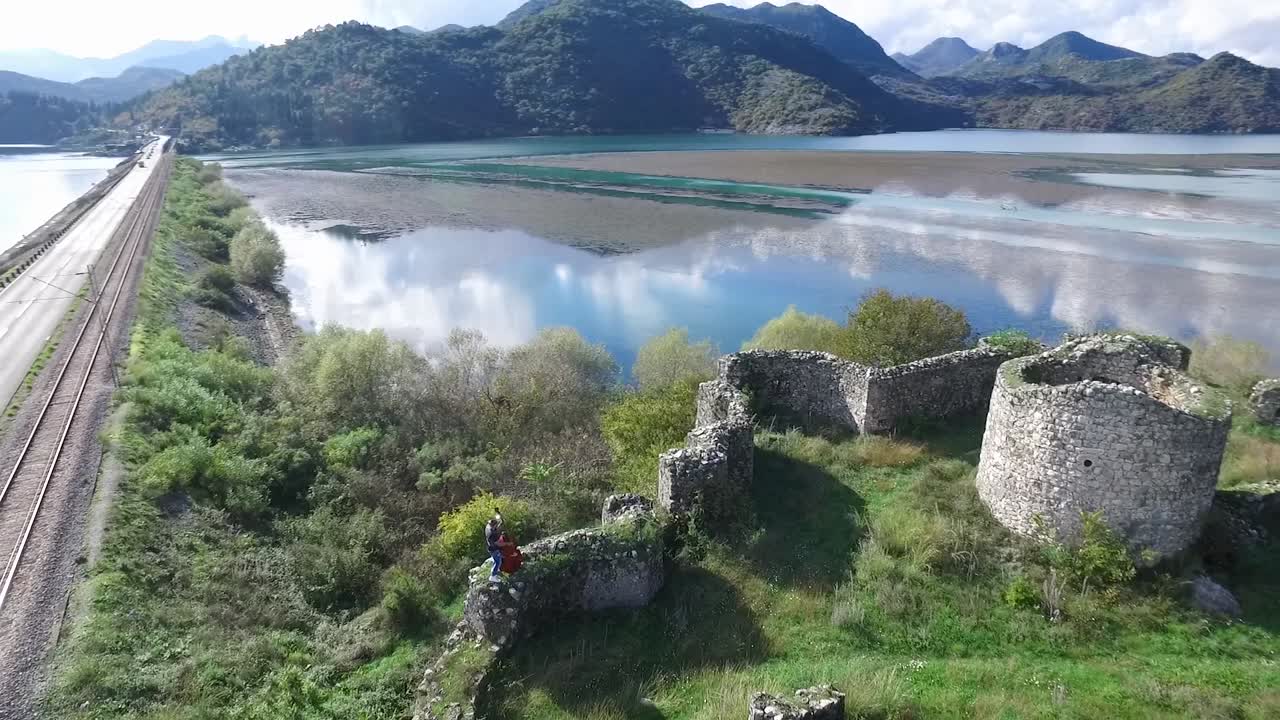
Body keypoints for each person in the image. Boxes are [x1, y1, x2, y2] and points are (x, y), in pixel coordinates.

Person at [484, 509, 505, 581]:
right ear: (494, 526)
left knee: (496, 560)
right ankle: (493, 576)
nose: (497, 526)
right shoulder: (492, 534)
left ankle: (495, 570)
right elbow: (496, 543)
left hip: (491, 548)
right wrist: (506, 544)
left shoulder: (488, 527)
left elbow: (501, 523)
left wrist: (499, 514)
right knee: (498, 562)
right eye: (496, 525)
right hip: (493, 549)